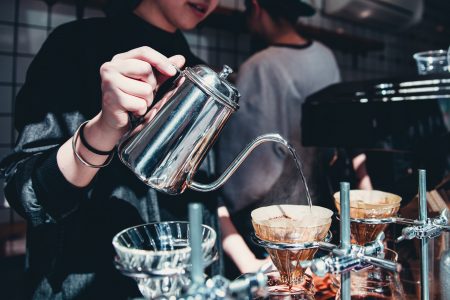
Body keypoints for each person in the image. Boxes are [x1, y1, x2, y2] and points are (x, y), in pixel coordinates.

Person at [0, 0, 221, 298]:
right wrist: (103, 128)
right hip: (83, 284)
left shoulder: (199, 72)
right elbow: (27, 193)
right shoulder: (75, 45)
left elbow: (205, 196)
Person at [217, 0, 341, 275]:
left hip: (271, 214)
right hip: (317, 203)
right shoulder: (325, 56)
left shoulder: (261, 66)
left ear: (256, 7)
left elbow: (248, 161)